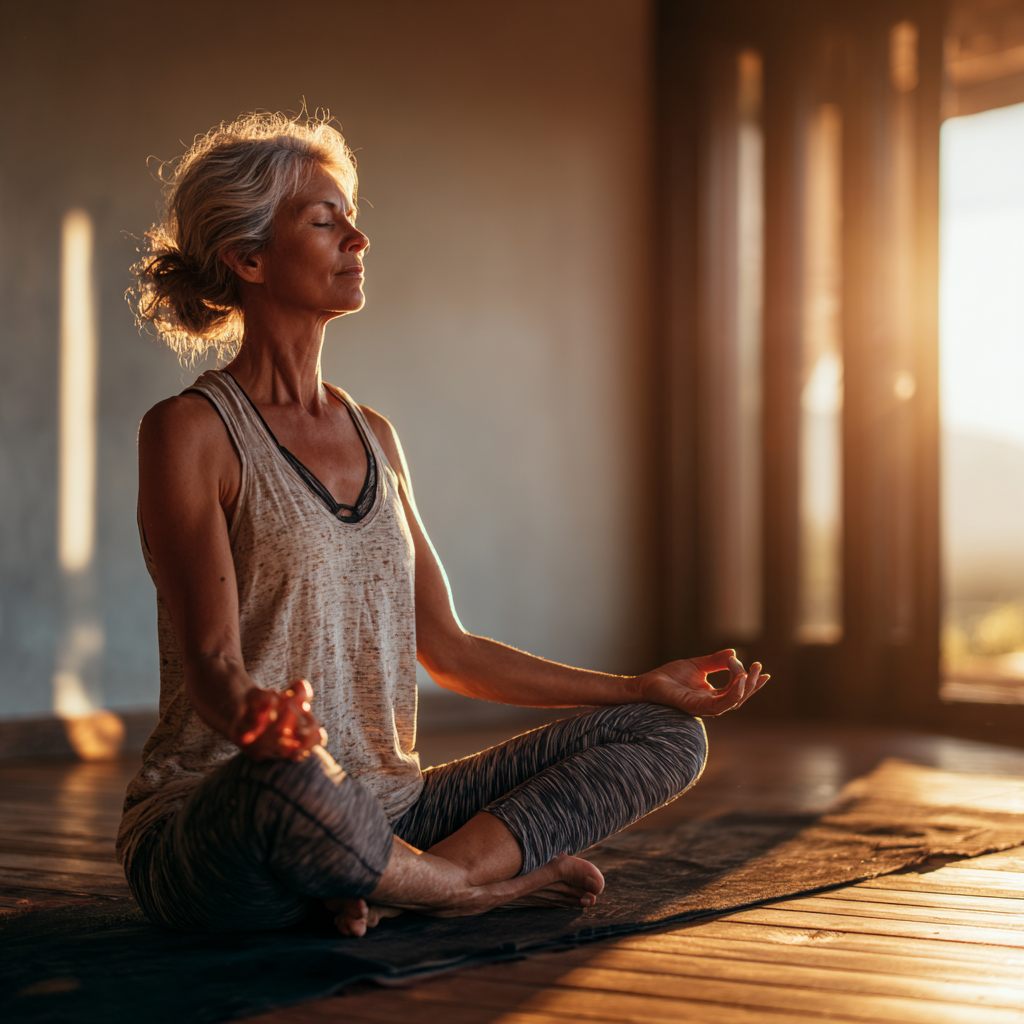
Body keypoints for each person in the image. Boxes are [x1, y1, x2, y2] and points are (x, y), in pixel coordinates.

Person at [118, 110, 769, 937]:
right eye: (325, 222)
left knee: (665, 736)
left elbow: (450, 652)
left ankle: (415, 878)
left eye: (352, 219)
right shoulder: (190, 432)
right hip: (230, 815)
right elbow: (212, 662)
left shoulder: (375, 436)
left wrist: (637, 686)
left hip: (391, 812)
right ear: (248, 258)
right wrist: (256, 717)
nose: (356, 239)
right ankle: (477, 890)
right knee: (289, 785)